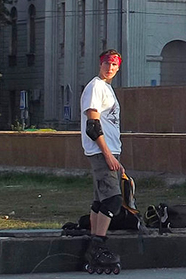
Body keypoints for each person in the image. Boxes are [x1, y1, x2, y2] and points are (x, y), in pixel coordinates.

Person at [79, 49, 124, 272]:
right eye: (107, 63)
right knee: (113, 201)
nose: (110, 68)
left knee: (99, 202)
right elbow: (93, 126)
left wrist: (115, 155)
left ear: (118, 67)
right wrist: (107, 154)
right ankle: (98, 246)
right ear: (100, 64)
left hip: (108, 151)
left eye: (114, 65)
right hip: (100, 152)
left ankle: (93, 246)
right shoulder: (95, 86)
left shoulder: (107, 88)